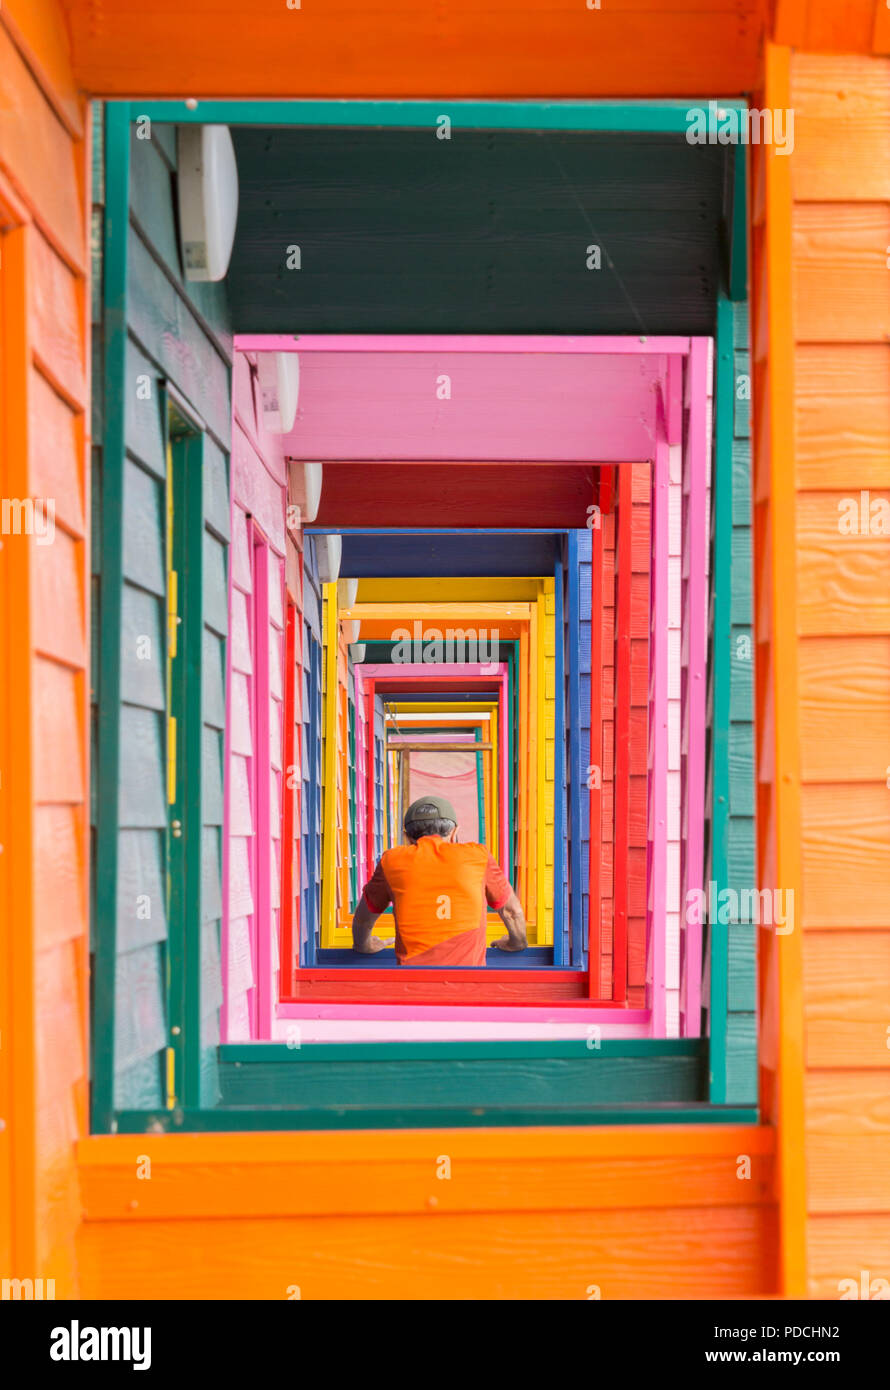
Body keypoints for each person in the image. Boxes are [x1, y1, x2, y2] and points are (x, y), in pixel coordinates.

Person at [352, 795, 528, 966]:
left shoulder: (391, 860)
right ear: (454, 833)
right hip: (470, 987)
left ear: (407, 837)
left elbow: (363, 919)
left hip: (413, 987)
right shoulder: (478, 856)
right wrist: (516, 943)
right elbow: (512, 912)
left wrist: (364, 945)